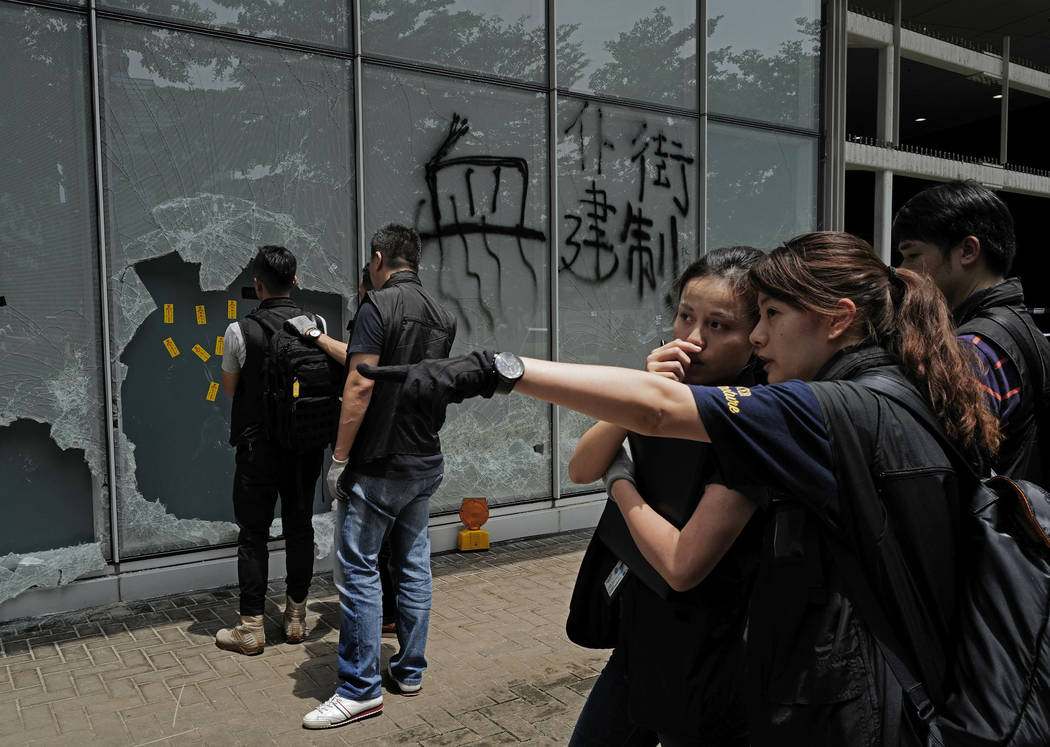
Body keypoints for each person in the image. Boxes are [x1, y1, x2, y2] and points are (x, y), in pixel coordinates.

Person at [357, 232, 1000, 745]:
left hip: (791, 683)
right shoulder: (879, 393)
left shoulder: (818, 408)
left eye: (765, 318)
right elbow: (612, 442)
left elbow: (665, 469)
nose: (755, 338)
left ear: (838, 320)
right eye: (686, 316)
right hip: (686, 647)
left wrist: (499, 370)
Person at [566, 247, 763, 746]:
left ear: (757, 337)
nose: (692, 340)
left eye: (719, 326)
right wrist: (639, 393)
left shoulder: (756, 418)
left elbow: (682, 564)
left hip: (712, 648)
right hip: (644, 628)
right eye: (685, 316)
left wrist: (622, 484)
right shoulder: (666, 389)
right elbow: (582, 467)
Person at [301, 224, 457, 730]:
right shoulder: (442, 313)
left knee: (360, 569)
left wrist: (340, 459)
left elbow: (359, 385)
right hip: (424, 459)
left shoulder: (377, 306)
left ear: (378, 257)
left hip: (380, 462)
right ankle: (409, 671)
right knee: (413, 564)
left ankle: (359, 689)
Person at [894, 179, 1050, 481]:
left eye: (912, 255)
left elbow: (946, 475)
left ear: (967, 250)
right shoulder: (1020, 328)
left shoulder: (973, 348)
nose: (903, 270)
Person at [215, 245, 326, 655]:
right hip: (303, 448)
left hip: (257, 449)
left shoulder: (238, 331)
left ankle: (251, 628)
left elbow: (229, 389)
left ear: (257, 284)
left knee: (253, 536)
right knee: (300, 528)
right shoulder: (316, 323)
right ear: (295, 282)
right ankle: (296, 618)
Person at [292, 264, 400, 638]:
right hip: (403, 445)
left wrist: (317, 337)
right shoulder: (409, 314)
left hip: (375, 447)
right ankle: (394, 621)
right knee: (396, 545)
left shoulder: (379, 312)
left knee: (371, 546)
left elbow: (361, 365)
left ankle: (380, 619)